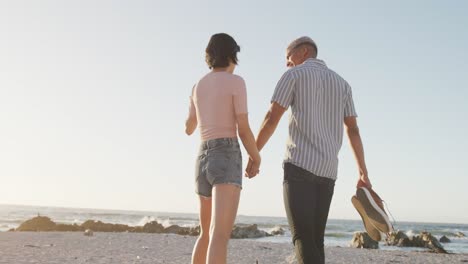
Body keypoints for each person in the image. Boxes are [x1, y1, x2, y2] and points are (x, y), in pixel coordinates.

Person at [246, 36, 371, 264]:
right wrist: (363, 172)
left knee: (302, 238)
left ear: (303, 52)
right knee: (315, 240)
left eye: (288, 56)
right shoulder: (343, 84)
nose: (286, 63)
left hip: (299, 165)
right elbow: (353, 130)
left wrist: (254, 153)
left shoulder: (293, 75)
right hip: (328, 171)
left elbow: (272, 117)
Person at [185, 33, 261, 264]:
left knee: (205, 233)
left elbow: (189, 127)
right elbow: (243, 128)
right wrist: (256, 157)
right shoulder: (236, 82)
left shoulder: (197, 86)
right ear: (231, 56)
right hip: (226, 153)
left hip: (202, 156)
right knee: (220, 236)